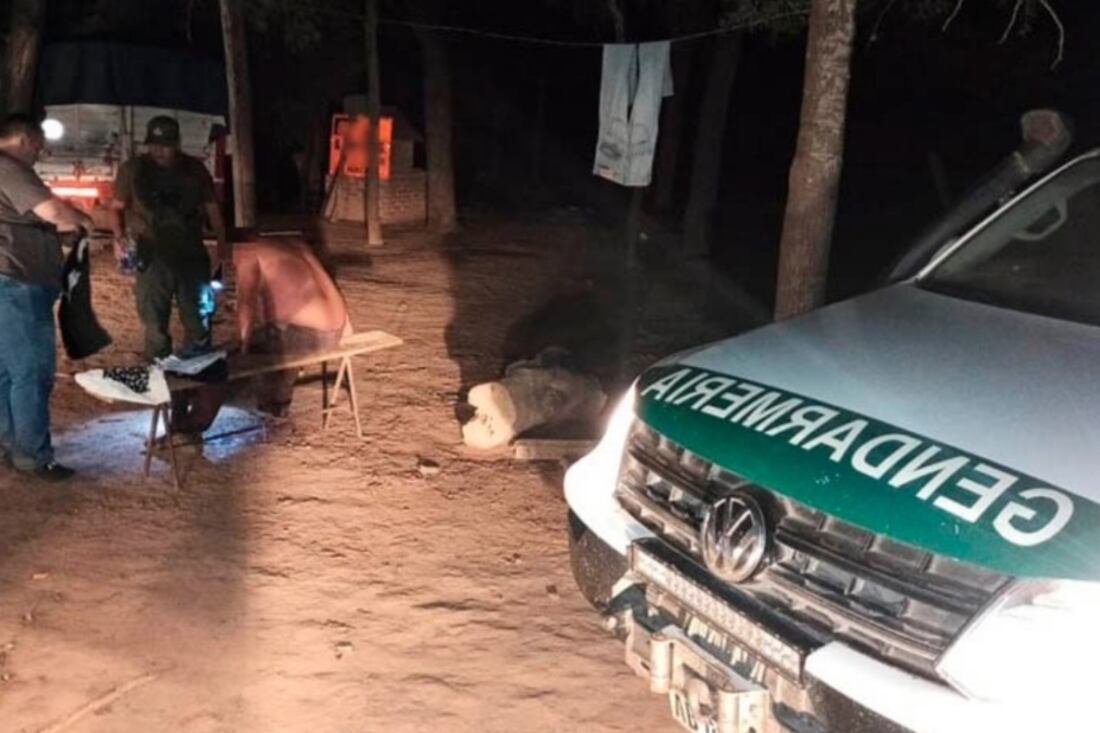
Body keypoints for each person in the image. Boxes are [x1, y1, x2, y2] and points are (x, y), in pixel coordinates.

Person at [170, 237, 351, 435]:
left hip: (304, 333)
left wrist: (241, 350)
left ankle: (191, 426)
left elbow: (246, 305)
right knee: (271, 335)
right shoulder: (295, 244)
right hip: (335, 330)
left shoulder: (246, 251)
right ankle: (275, 403)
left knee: (220, 364)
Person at [0, 114, 95, 481]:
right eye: (38, 143)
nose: (41, 150)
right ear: (24, 139)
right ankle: (33, 455)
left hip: (13, 283)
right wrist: (82, 220)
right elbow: (52, 212)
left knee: (8, 372)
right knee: (33, 373)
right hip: (17, 284)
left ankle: (10, 442)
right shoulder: (9, 167)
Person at [109, 115, 229, 361]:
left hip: (190, 254)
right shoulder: (133, 170)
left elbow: (212, 208)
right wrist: (118, 238)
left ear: (177, 144)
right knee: (153, 319)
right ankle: (158, 369)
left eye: (165, 146)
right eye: (154, 145)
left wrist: (222, 244)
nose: (159, 151)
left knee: (197, 315)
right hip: (151, 255)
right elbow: (116, 207)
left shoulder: (194, 170)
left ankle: (197, 366)